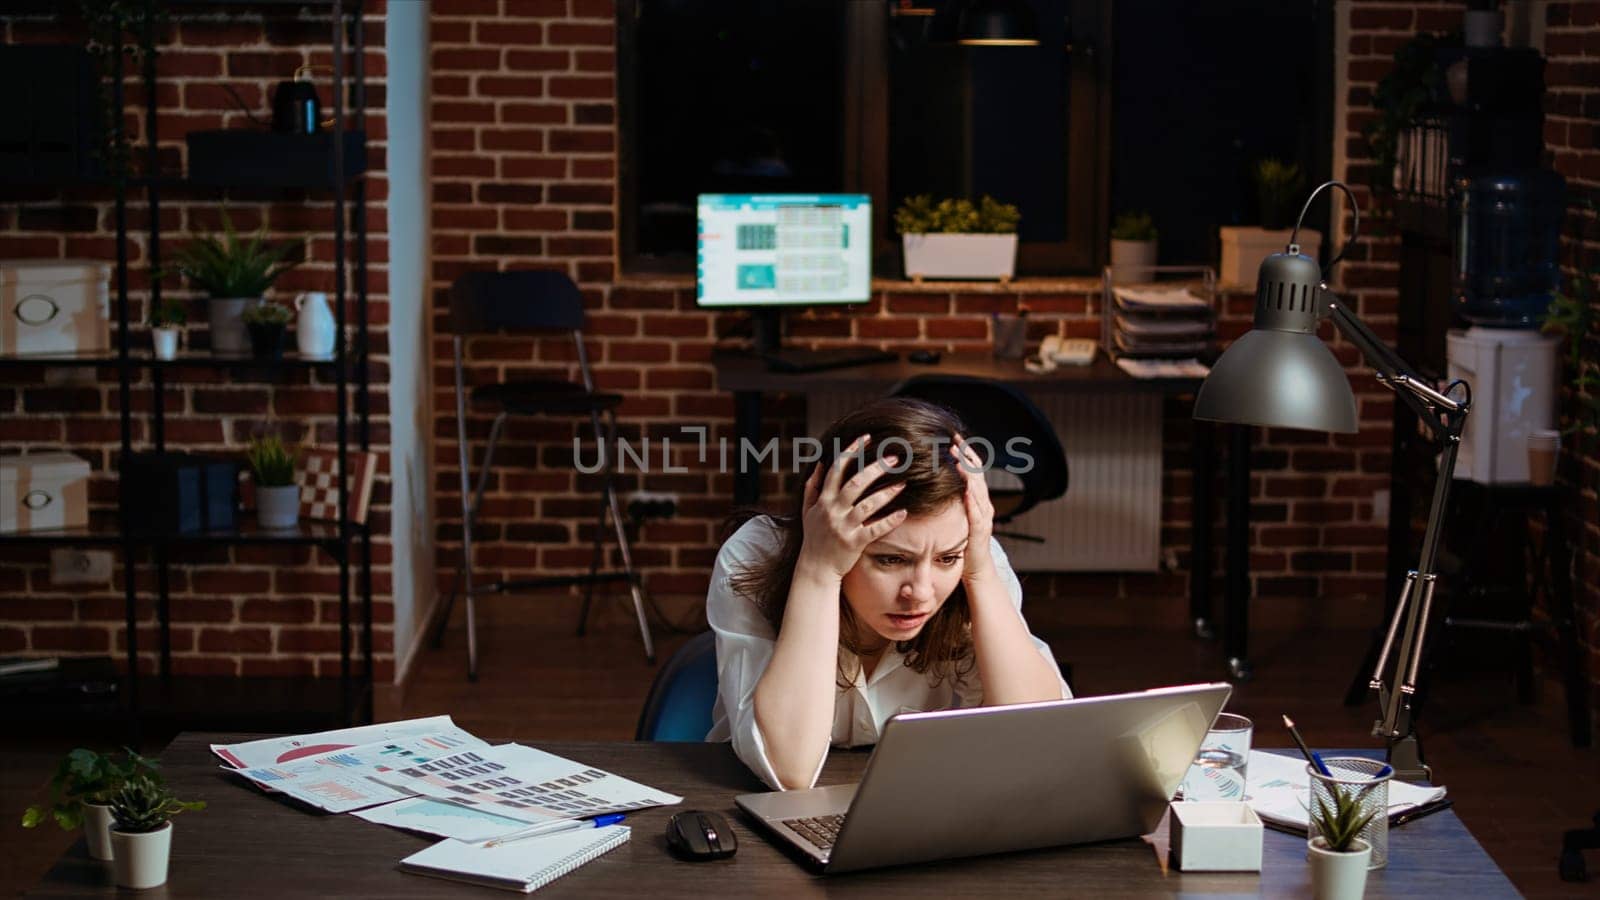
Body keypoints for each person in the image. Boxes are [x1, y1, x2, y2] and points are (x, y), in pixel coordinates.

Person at [706, 398, 1070, 791]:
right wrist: (819, 570)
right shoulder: (755, 556)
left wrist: (978, 571)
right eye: (891, 560)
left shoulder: (975, 558)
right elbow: (787, 771)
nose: (921, 593)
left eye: (947, 557)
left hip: (924, 801)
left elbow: (1038, 735)